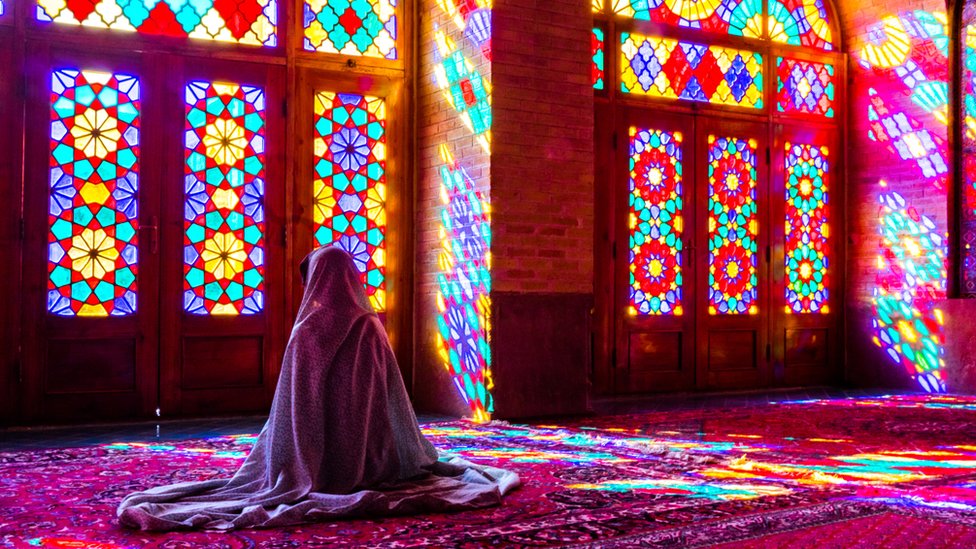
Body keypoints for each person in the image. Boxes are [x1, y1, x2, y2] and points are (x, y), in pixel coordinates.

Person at [118, 246, 519, 531]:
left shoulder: (310, 331)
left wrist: (302, 462)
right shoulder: (370, 324)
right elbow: (392, 405)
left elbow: (294, 410)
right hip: (376, 459)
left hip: (315, 465)